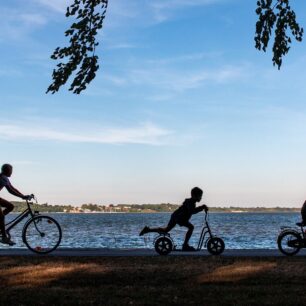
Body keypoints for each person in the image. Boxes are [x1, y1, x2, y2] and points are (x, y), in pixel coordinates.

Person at [139, 187, 208, 251]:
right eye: (200, 196)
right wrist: (202, 207)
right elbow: (192, 211)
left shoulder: (191, 202)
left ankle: (148, 230)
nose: (201, 198)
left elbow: (191, 210)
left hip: (175, 215)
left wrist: (202, 207)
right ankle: (185, 245)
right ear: (194, 196)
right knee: (191, 227)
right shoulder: (191, 202)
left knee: (166, 230)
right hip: (179, 218)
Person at [0, 164, 32, 245]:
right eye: (11, 171)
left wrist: (23, 196)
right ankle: (4, 238)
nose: (11, 173)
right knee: (1, 216)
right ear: (6, 171)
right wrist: (22, 196)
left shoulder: (4, 177)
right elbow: (11, 190)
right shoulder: (2, 177)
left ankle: (0, 223)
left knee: (10, 206)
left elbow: (13, 188)